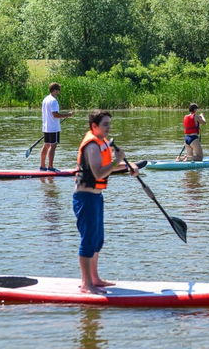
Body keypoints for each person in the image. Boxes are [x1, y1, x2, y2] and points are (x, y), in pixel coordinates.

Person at [73, 109, 138, 294]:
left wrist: (127, 166)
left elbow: (107, 167)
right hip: (84, 198)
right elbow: (99, 173)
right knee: (88, 239)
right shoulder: (92, 146)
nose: (109, 127)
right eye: (105, 124)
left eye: (109, 123)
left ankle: (95, 278)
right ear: (94, 126)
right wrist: (117, 160)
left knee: (98, 239)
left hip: (96, 196)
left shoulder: (101, 143)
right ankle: (86, 285)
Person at [40, 82, 73, 171]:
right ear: (54, 90)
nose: (59, 92)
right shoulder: (53, 101)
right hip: (53, 127)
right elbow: (55, 115)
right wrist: (68, 115)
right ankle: (50, 167)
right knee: (53, 146)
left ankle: (42, 166)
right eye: (58, 90)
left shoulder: (45, 99)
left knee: (46, 145)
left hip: (46, 127)